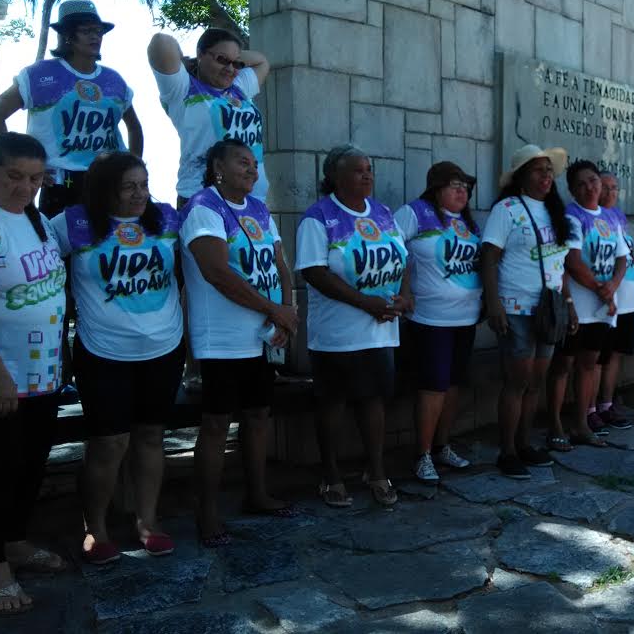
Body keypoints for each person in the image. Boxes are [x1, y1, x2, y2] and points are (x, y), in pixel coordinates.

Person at [49, 153, 183, 564]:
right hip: (103, 351)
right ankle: (96, 527)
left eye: (143, 184)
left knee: (150, 437)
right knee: (108, 442)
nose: (140, 193)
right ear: (105, 188)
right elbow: (43, 277)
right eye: (129, 186)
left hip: (164, 348)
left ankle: (147, 521)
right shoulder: (72, 222)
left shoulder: (165, 219)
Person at [180, 139, 297, 546]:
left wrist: (287, 311)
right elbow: (216, 272)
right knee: (216, 424)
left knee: (259, 414)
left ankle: (257, 493)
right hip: (221, 340)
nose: (251, 169)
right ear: (217, 167)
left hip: (261, 336)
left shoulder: (261, 210)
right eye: (241, 163)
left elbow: (281, 266)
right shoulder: (204, 209)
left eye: (253, 164)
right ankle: (207, 512)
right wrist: (274, 309)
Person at [295, 145, 406, 506]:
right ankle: (330, 476)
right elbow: (314, 272)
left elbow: (403, 260)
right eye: (358, 170)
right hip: (338, 335)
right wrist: (365, 303)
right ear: (335, 178)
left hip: (380, 330)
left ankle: (376, 471)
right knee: (333, 405)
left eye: (369, 168)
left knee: (374, 401)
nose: (367, 175)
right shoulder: (318, 217)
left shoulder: (384, 213)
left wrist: (405, 297)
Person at [0, 133, 68, 615]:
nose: (25, 187)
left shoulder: (34, 218)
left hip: (44, 375)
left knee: (30, 465)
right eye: (14, 176)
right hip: (2, 376)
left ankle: (14, 541)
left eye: (35, 179)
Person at [0, 0, 142, 218]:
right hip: (59, 184)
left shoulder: (114, 80)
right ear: (68, 35)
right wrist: (18, 166)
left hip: (109, 180)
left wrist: (135, 171)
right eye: (87, 30)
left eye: (99, 31)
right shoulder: (39, 75)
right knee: (58, 249)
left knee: (106, 248)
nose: (95, 36)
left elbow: (134, 127)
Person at [481, 144, 577, 479]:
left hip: (548, 309)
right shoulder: (506, 210)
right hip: (516, 306)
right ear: (521, 177)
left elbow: (559, 263)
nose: (546, 176)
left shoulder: (555, 212)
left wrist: (568, 302)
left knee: (536, 381)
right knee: (517, 381)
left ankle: (525, 443)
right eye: (538, 170)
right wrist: (493, 304)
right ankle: (506, 450)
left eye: (549, 170)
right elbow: (489, 259)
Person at [392, 161, 478, 483]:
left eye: (465, 186)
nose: (462, 191)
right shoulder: (414, 213)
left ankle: (443, 446)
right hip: (430, 320)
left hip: (465, 318)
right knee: (433, 387)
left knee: (453, 386)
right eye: (455, 184)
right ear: (436, 187)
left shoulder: (468, 222)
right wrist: (403, 291)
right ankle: (422, 454)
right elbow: (392, 249)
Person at [545, 160, 627, 450]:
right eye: (581, 184)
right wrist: (601, 290)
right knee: (563, 364)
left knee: (589, 364)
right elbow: (572, 262)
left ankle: (581, 424)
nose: (590, 187)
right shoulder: (570, 217)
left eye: (593, 180)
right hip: (576, 304)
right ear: (572, 190)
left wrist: (613, 287)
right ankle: (555, 425)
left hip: (602, 307)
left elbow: (622, 257)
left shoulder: (609, 218)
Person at [147, 28, 270, 204]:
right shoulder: (182, 88)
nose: (230, 69)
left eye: (236, 64)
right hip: (203, 197)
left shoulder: (239, 87)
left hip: (252, 198)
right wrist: (184, 60)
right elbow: (160, 42)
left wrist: (231, 54)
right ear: (200, 54)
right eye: (221, 60)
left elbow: (262, 61)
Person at [592, 171, 634, 431]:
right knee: (597, 357)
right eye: (605, 187)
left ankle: (607, 404)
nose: (610, 193)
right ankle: (590, 408)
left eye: (615, 188)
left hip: (627, 300)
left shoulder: (618, 217)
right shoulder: (590, 217)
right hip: (604, 299)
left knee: (614, 355)